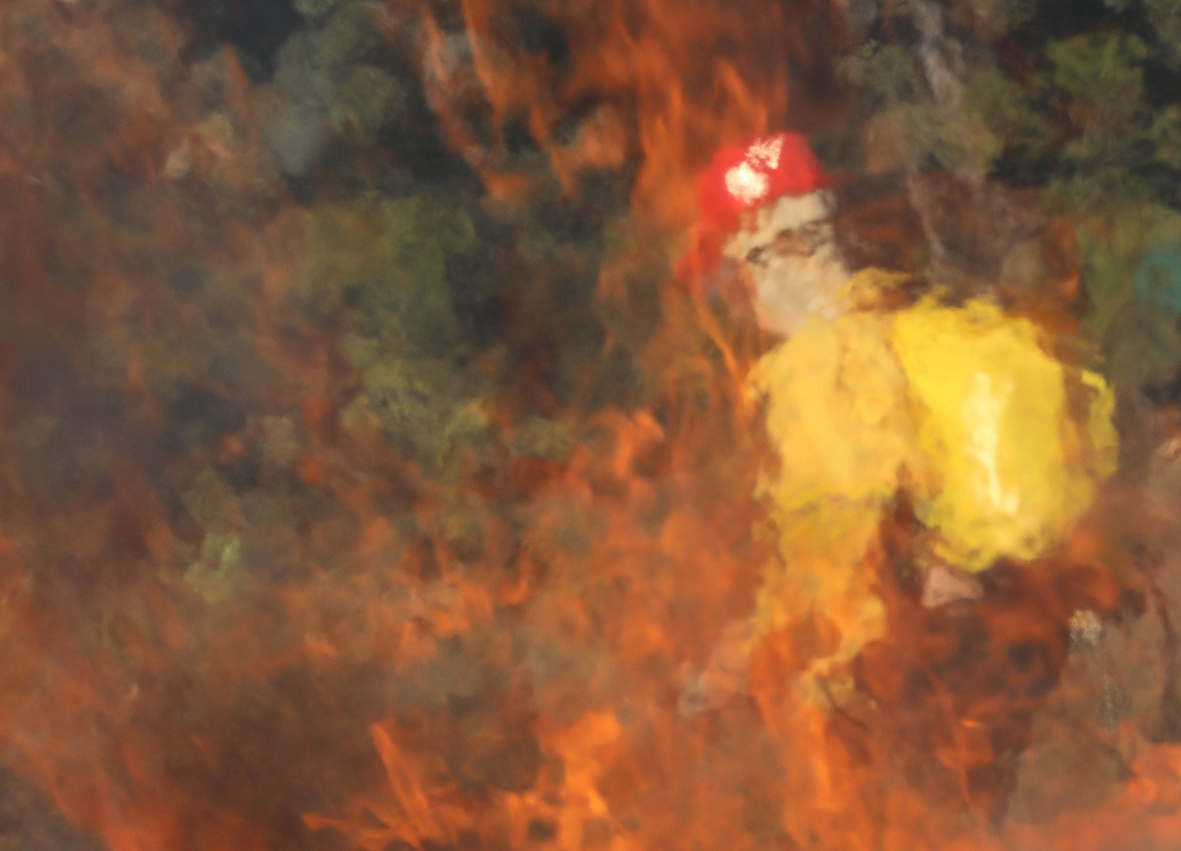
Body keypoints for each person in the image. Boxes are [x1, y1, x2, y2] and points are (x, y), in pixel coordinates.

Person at [678, 132, 1120, 714]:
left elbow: (1032, 502)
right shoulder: (802, 379)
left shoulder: (937, 342)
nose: (778, 276)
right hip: (924, 654)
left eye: (790, 244)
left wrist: (955, 561)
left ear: (834, 235)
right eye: (752, 258)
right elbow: (824, 548)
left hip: (1014, 658)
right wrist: (761, 637)